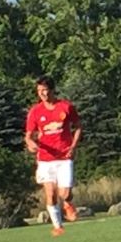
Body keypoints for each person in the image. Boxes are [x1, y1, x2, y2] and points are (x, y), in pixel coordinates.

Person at [23, 75, 80, 231]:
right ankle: (58, 227)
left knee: (65, 193)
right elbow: (28, 135)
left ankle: (68, 203)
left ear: (53, 90)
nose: (43, 94)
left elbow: (78, 127)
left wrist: (73, 146)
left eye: (46, 90)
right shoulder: (35, 111)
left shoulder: (66, 107)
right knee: (50, 194)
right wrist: (30, 143)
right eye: (40, 91)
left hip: (64, 157)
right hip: (45, 159)